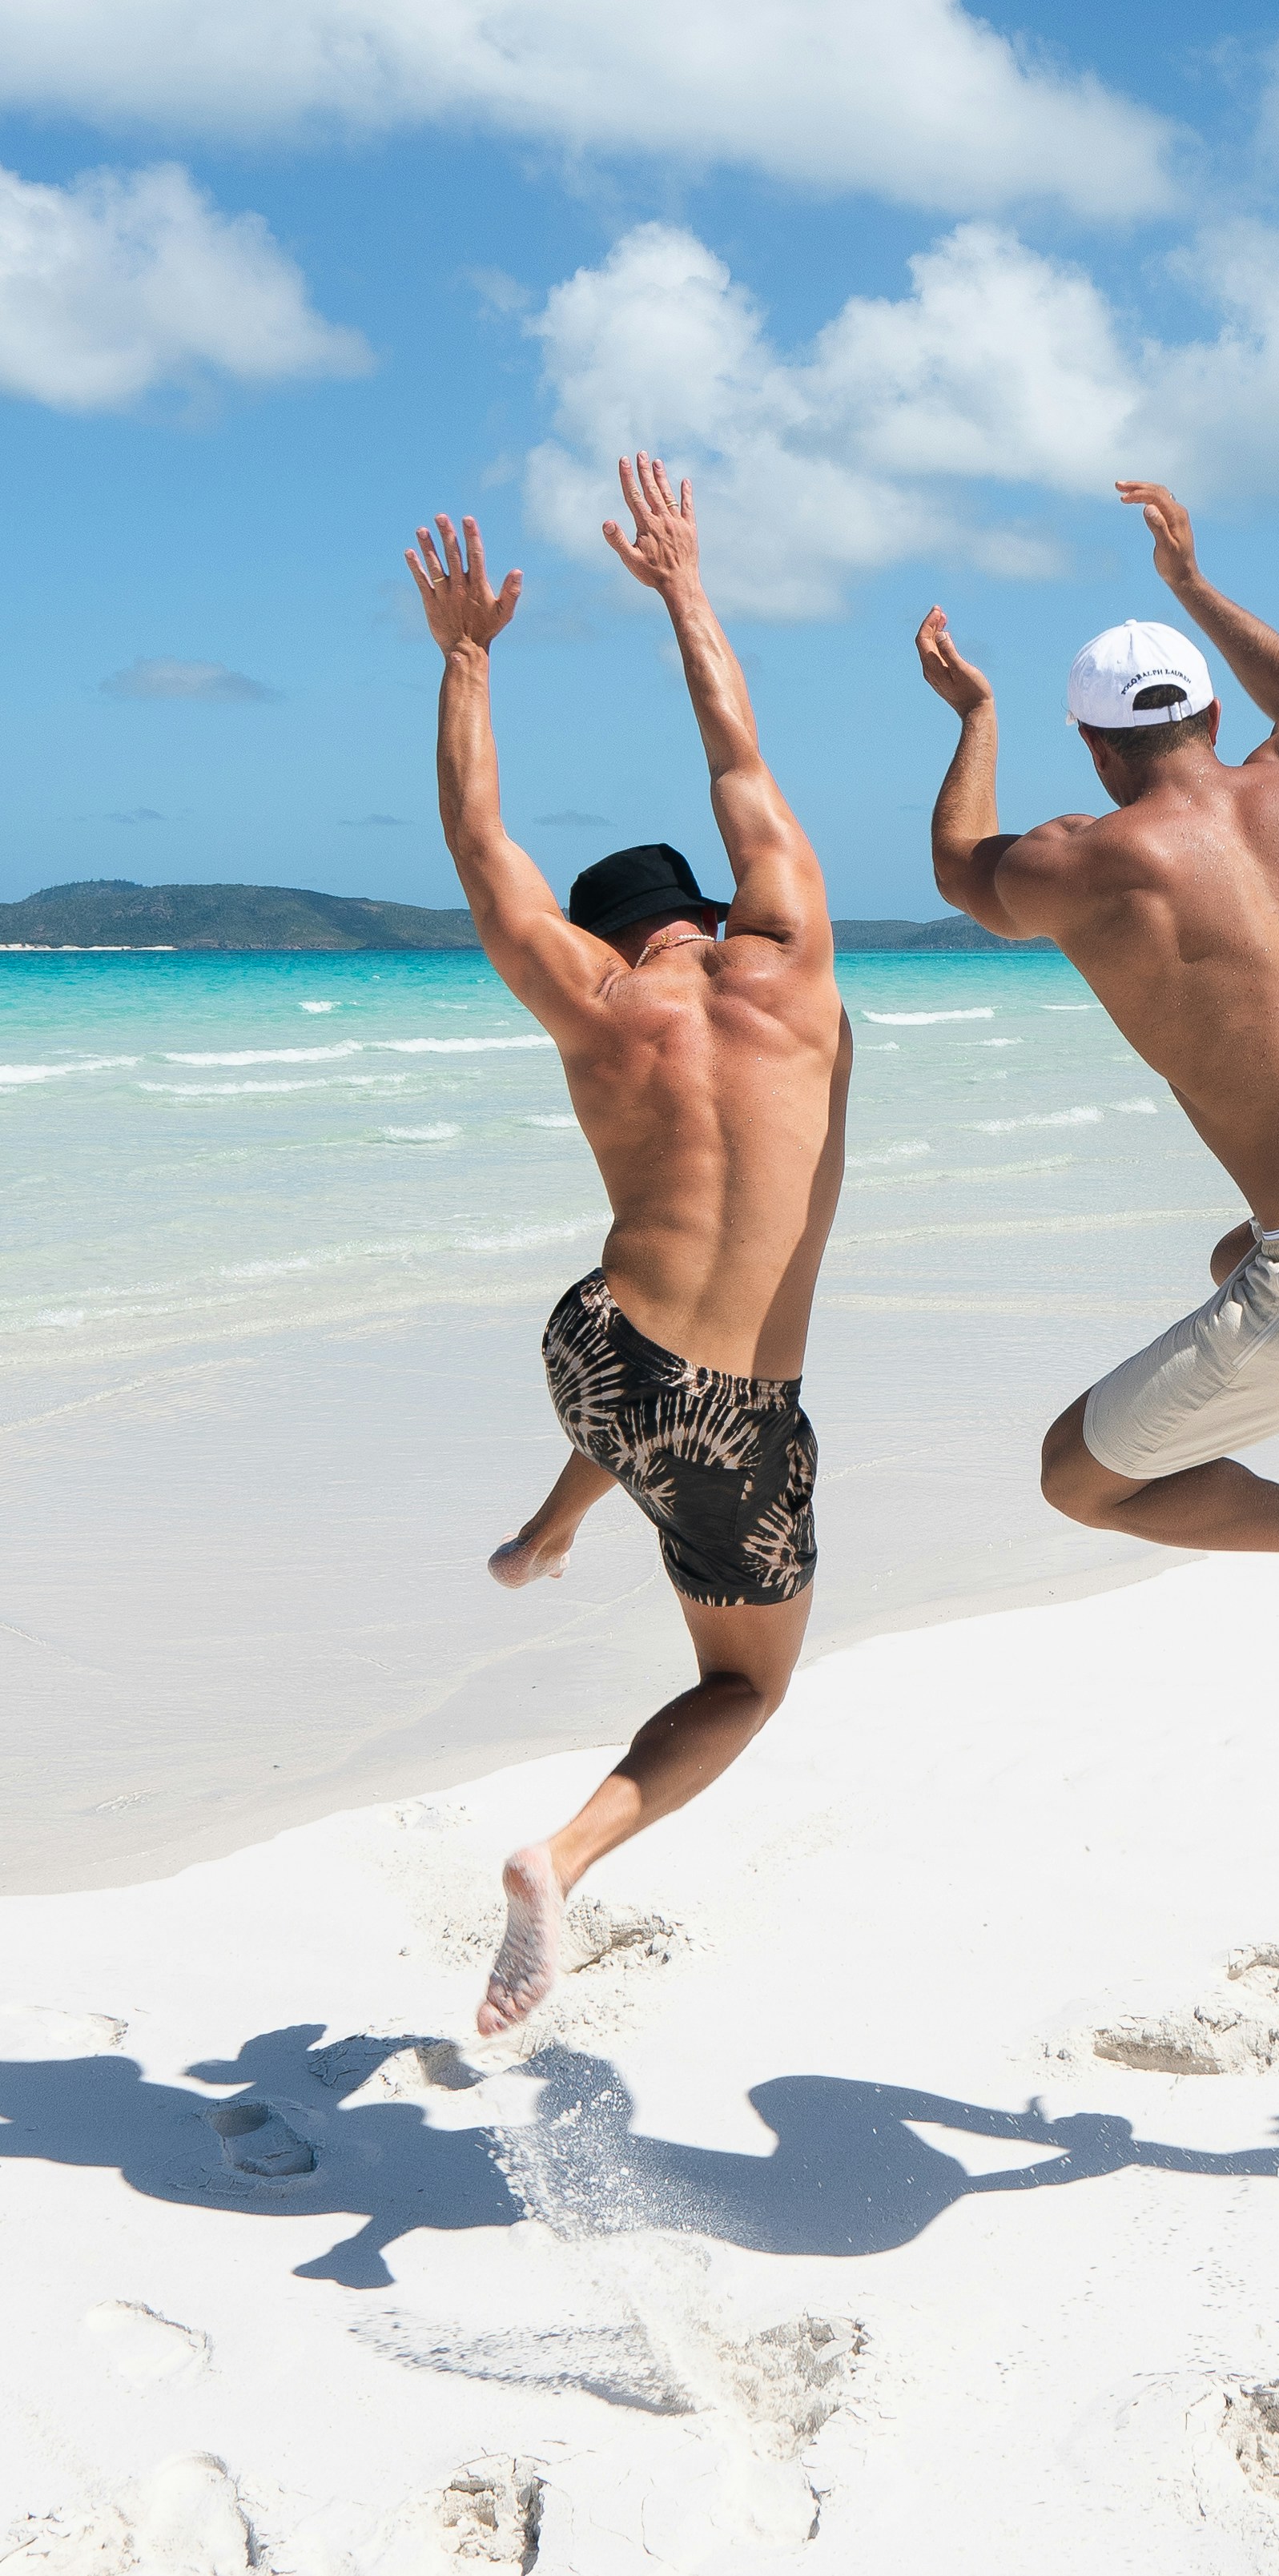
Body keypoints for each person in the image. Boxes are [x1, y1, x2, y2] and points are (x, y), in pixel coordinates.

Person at [409, 457, 851, 2038]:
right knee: (742, 1684)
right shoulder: (794, 958)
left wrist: (467, 653)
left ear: (608, 939)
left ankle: (550, 1531)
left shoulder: (591, 1005)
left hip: (588, 1344)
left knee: (646, 1380)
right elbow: (736, 745)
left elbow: (476, 841)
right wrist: (679, 582)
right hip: (722, 1409)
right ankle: (562, 1857)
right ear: (716, 904)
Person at [915, 481, 1279, 1627]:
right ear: (1212, 717)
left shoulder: (1082, 862)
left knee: (1078, 1477)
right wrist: (1190, 583)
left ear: (1092, 746)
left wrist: (972, 717)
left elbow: (957, 871)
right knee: (1241, 1246)